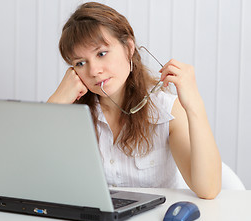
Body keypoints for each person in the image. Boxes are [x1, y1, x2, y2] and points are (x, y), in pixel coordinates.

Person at [48, 2, 221, 199]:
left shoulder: (165, 109)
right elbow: (33, 181)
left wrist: (194, 104)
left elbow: (208, 189)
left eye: (101, 53)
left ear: (129, 48)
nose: (94, 70)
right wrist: (54, 104)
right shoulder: (68, 113)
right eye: (80, 63)